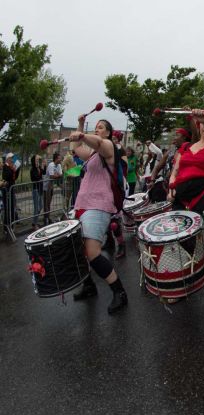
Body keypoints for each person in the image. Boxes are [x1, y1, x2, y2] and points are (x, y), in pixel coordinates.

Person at [168, 109, 204, 313]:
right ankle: (183, 287)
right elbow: (176, 169)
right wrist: (171, 185)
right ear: (196, 125)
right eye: (202, 122)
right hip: (182, 200)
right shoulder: (186, 147)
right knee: (183, 246)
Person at [68, 118, 128, 314]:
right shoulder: (93, 155)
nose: (97, 129)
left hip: (99, 205)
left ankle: (119, 292)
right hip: (82, 205)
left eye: (101, 127)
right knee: (79, 251)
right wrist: (80, 125)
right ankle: (89, 286)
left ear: (109, 133)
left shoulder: (109, 147)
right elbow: (77, 148)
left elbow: (99, 143)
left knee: (92, 252)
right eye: (96, 127)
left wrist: (84, 135)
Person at [150, 128, 190, 202]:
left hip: (180, 188)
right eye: (174, 135)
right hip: (165, 188)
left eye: (177, 135)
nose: (174, 138)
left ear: (184, 137)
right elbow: (157, 167)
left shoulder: (189, 150)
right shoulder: (170, 152)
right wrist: (152, 180)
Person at [43, 152, 62, 225]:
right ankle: (46, 218)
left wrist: (56, 175)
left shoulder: (59, 165)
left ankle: (48, 217)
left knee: (49, 203)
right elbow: (51, 176)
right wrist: (57, 175)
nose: (61, 159)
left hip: (51, 186)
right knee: (46, 203)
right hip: (46, 186)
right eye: (60, 158)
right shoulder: (51, 165)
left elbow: (61, 174)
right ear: (56, 158)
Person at [2, 153, 17, 231]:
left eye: (12, 158)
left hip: (11, 188)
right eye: (11, 158)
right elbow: (7, 176)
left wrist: (16, 169)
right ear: (7, 159)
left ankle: (11, 225)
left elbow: (14, 178)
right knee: (8, 208)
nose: (12, 160)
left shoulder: (11, 167)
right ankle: (6, 227)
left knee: (12, 207)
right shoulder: (5, 166)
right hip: (7, 190)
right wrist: (12, 169)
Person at [30, 154, 44, 230]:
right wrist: (40, 170)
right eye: (36, 160)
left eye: (38, 160)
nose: (37, 161)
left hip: (40, 189)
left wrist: (43, 166)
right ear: (33, 161)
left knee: (40, 206)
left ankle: (34, 222)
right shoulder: (33, 169)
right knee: (36, 208)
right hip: (36, 190)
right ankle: (34, 224)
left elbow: (44, 172)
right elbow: (36, 178)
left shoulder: (39, 168)